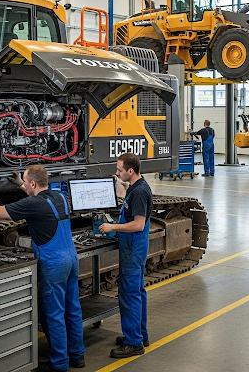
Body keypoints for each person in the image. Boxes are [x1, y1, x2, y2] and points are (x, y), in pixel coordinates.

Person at [0, 165, 85, 372]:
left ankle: (60, 364)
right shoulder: (59, 197)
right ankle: (77, 356)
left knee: (54, 314)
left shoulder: (33, 204)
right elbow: (37, 199)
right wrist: (19, 184)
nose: (23, 184)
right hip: (71, 257)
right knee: (73, 308)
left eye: (25, 182)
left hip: (53, 263)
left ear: (33, 183)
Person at [99, 153, 152, 358]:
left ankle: (134, 343)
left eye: (119, 170)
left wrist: (113, 227)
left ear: (131, 171)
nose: (117, 172)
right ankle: (140, 335)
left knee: (129, 295)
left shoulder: (139, 192)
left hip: (133, 247)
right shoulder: (136, 186)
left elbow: (138, 225)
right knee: (137, 292)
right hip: (135, 247)